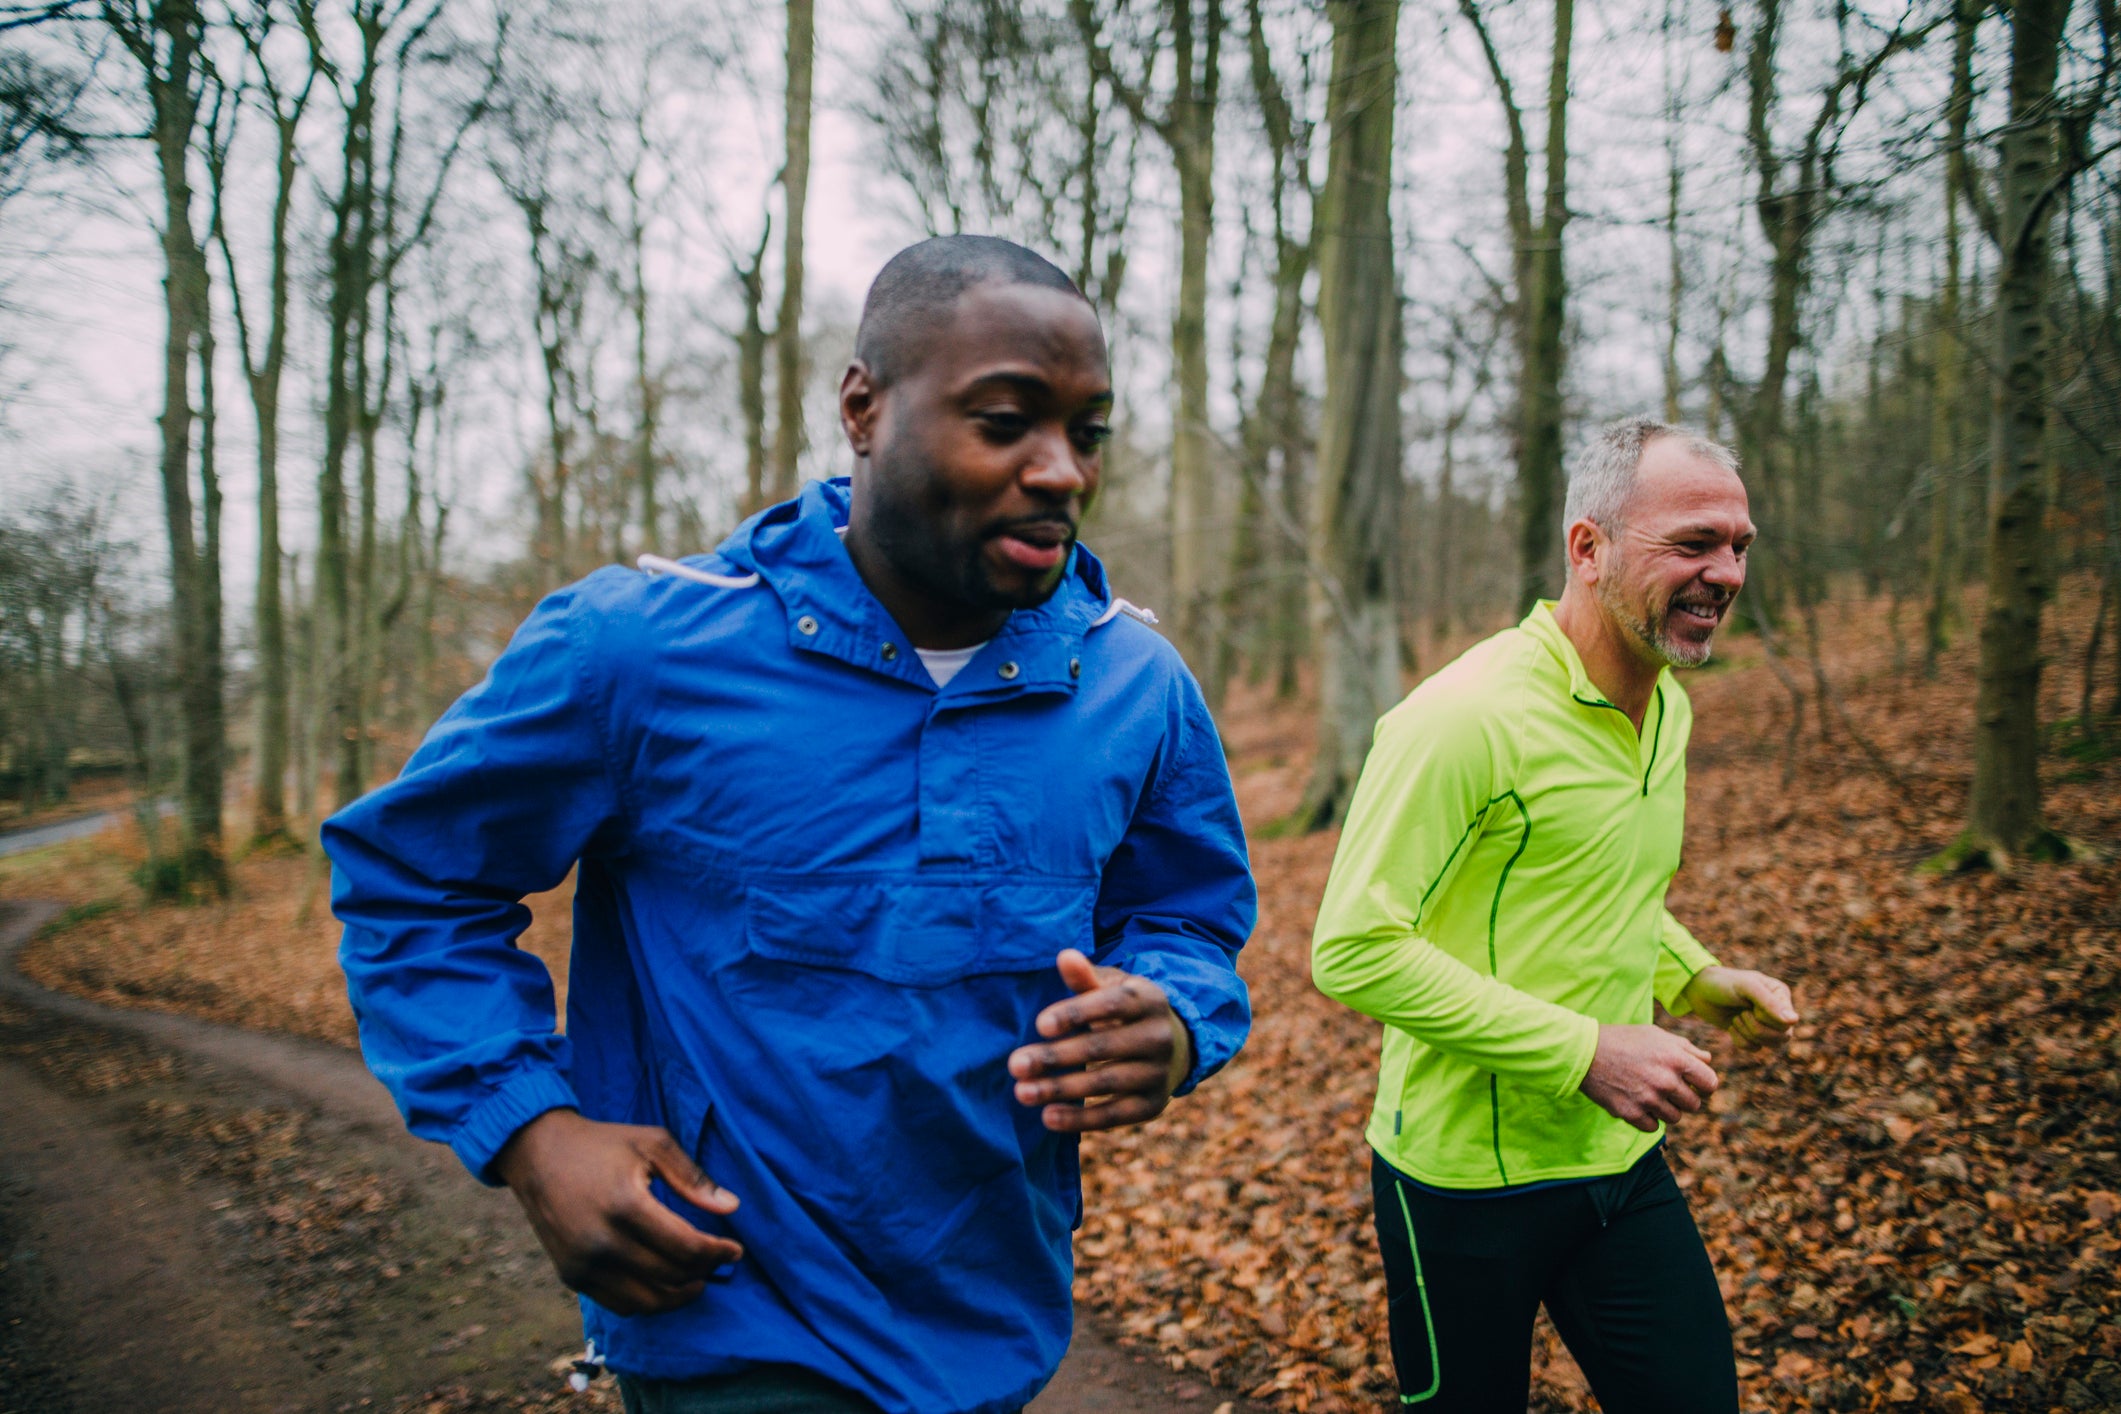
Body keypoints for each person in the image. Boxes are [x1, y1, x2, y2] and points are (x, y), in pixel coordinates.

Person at [325, 235, 1255, 1414]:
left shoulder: (1136, 681)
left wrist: (1172, 1017)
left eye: (1087, 432)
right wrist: (534, 1131)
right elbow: (413, 876)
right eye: (1007, 419)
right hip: (729, 1327)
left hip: (994, 1334)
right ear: (864, 408)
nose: (1061, 470)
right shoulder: (641, 652)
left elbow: (1188, 916)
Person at [1310, 417, 1799, 1413]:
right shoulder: (1462, 718)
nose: (1728, 572)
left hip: (1619, 1163)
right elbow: (1354, 949)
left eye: (1739, 545)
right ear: (1590, 548)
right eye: (1694, 542)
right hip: (1459, 1182)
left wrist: (1693, 976)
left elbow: (1606, 886)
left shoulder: (1669, 706)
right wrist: (1586, 1049)